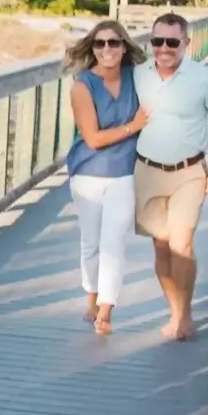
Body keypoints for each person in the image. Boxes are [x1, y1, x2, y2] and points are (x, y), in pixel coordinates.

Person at [132, 11, 208, 342]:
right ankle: (174, 309)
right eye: (157, 41)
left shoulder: (205, 78)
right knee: (162, 249)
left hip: (189, 172)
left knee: (182, 244)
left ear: (186, 43)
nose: (164, 48)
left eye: (172, 42)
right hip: (147, 170)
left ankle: (183, 315)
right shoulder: (138, 74)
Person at [63, 19, 149, 336]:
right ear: (93, 48)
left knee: (113, 241)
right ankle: (92, 298)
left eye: (114, 43)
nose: (107, 49)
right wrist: (133, 126)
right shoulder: (82, 85)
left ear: (124, 47)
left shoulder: (137, 79)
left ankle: (106, 310)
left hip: (124, 172)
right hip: (87, 173)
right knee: (91, 242)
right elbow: (94, 139)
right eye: (100, 44)